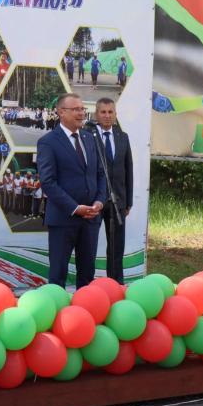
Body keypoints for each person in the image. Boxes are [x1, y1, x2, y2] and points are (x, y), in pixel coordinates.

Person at [37, 93, 106, 288]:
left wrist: (99, 201)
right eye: (76, 109)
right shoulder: (48, 142)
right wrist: (75, 208)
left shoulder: (89, 138)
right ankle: (57, 307)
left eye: (82, 109)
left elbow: (101, 174)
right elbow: (48, 182)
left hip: (90, 219)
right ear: (61, 112)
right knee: (58, 275)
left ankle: (85, 307)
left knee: (87, 276)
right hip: (63, 219)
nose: (81, 113)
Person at [92, 98, 133, 285]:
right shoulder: (88, 135)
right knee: (89, 245)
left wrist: (128, 201)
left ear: (115, 114)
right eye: (103, 112)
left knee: (116, 246)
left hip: (118, 202)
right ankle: (88, 285)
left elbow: (128, 169)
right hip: (94, 201)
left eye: (110, 112)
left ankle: (116, 284)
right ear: (96, 114)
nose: (107, 116)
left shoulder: (122, 137)